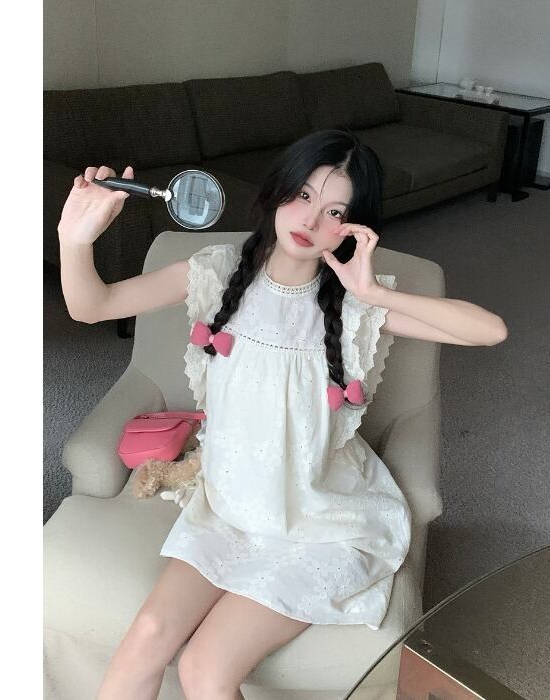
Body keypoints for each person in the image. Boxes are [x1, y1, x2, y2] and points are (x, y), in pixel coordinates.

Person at [58, 128, 508, 700]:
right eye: (303, 195)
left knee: (205, 670)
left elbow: (489, 331)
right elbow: (91, 306)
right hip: (230, 508)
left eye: (335, 211)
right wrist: (74, 240)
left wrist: (376, 293)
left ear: (353, 227)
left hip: (322, 522)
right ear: (278, 191)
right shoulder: (214, 273)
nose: (311, 219)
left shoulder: (353, 305)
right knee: (145, 638)